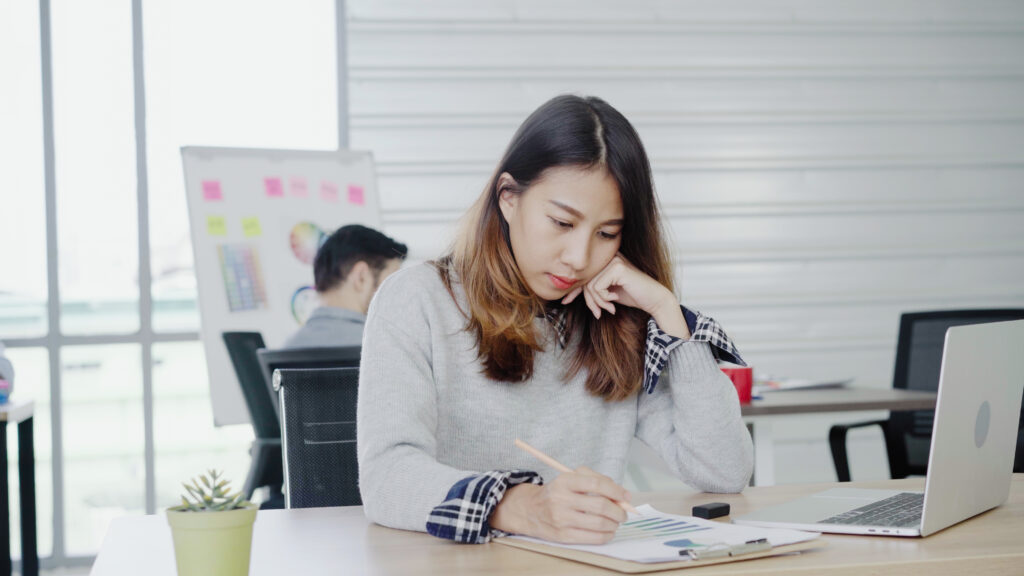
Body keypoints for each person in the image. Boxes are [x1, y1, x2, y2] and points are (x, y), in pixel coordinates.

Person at [357, 95, 753, 545]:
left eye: (607, 234)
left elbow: (725, 471)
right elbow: (386, 477)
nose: (580, 257)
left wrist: (669, 314)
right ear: (509, 198)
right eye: (562, 223)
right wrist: (519, 507)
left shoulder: (616, 321)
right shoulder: (417, 300)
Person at [283, 224, 407, 349]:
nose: (397, 296)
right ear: (361, 278)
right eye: (392, 283)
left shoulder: (286, 349)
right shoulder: (390, 348)